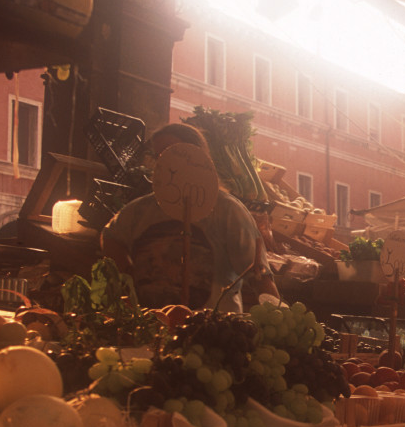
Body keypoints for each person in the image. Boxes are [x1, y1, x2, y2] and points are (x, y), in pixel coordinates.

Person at [100, 123, 278, 311]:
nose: (164, 162)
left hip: (213, 330)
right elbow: (111, 236)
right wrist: (127, 275)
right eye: (158, 156)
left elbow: (259, 275)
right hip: (153, 328)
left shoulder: (228, 211)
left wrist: (276, 314)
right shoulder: (141, 210)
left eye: (171, 152)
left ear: (198, 157)